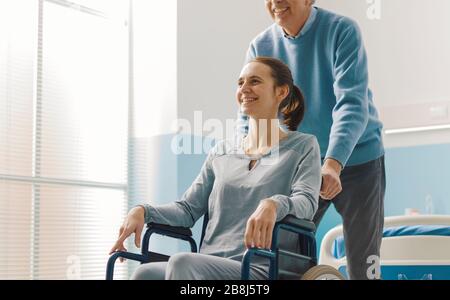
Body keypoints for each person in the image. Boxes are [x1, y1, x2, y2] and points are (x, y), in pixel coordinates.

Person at [109, 57, 322, 280]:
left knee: (183, 262)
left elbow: (306, 202)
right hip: (209, 261)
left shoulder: (303, 146)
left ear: (281, 92)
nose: (244, 89)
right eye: (240, 83)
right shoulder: (221, 152)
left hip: (261, 266)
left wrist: (274, 204)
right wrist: (143, 210)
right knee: (145, 273)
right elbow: (188, 209)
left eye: (255, 81)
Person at [238, 0, 386, 280]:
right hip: (302, 163)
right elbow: (248, 114)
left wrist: (333, 163)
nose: (276, 3)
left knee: (362, 264)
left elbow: (352, 103)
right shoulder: (261, 46)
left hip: (358, 158)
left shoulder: (342, 31)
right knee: (283, 257)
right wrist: (245, 162)